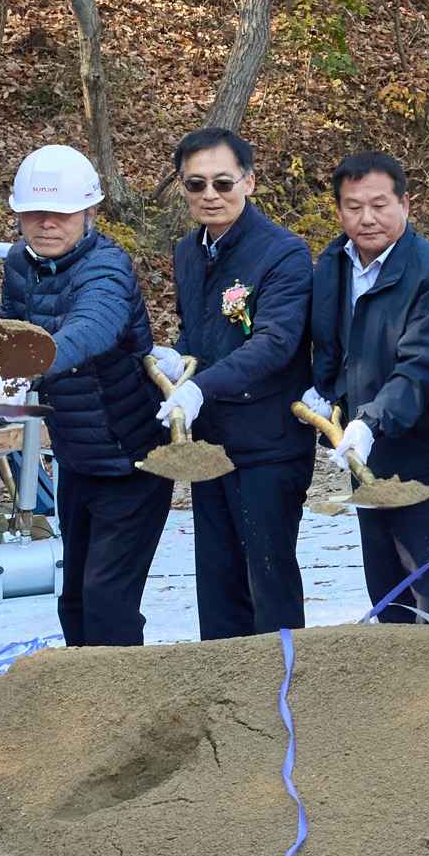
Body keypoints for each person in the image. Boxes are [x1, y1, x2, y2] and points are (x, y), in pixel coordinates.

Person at [0, 145, 173, 649]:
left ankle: (124, 714)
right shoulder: (18, 264)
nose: (47, 224)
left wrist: (26, 364)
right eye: (34, 213)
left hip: (133, 459)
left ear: (90, 214)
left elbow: (89, 329)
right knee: (73, 600)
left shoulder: (108, 267)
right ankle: (82, 716)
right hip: (77, 458)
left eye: (62, 214)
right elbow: (9, 331)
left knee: (107, 599)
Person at [306, 150, 429, 625]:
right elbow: (330, 343)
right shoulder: (332, 265)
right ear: (339, 211)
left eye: (380, 205)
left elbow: (421, 367)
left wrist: (371, 421)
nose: (367, 218)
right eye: (354, 206)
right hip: (365, 455)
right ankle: (397, 693)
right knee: (384, 587)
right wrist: (324, 392)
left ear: (405, 204)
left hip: (427, 457)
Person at [165, 127, 317, 639]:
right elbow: (198, 330)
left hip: (268, 443)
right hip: (210, 444)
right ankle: (225, 696)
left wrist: (200, 385)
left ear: (249, 183)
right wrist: (178, 362)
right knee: (217, 578)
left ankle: (282, 697)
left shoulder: (283, 254)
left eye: (223, 182)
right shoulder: (188, 251)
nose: (211, 195)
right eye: (196, 184)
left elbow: (275, 343)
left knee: (267, 581)